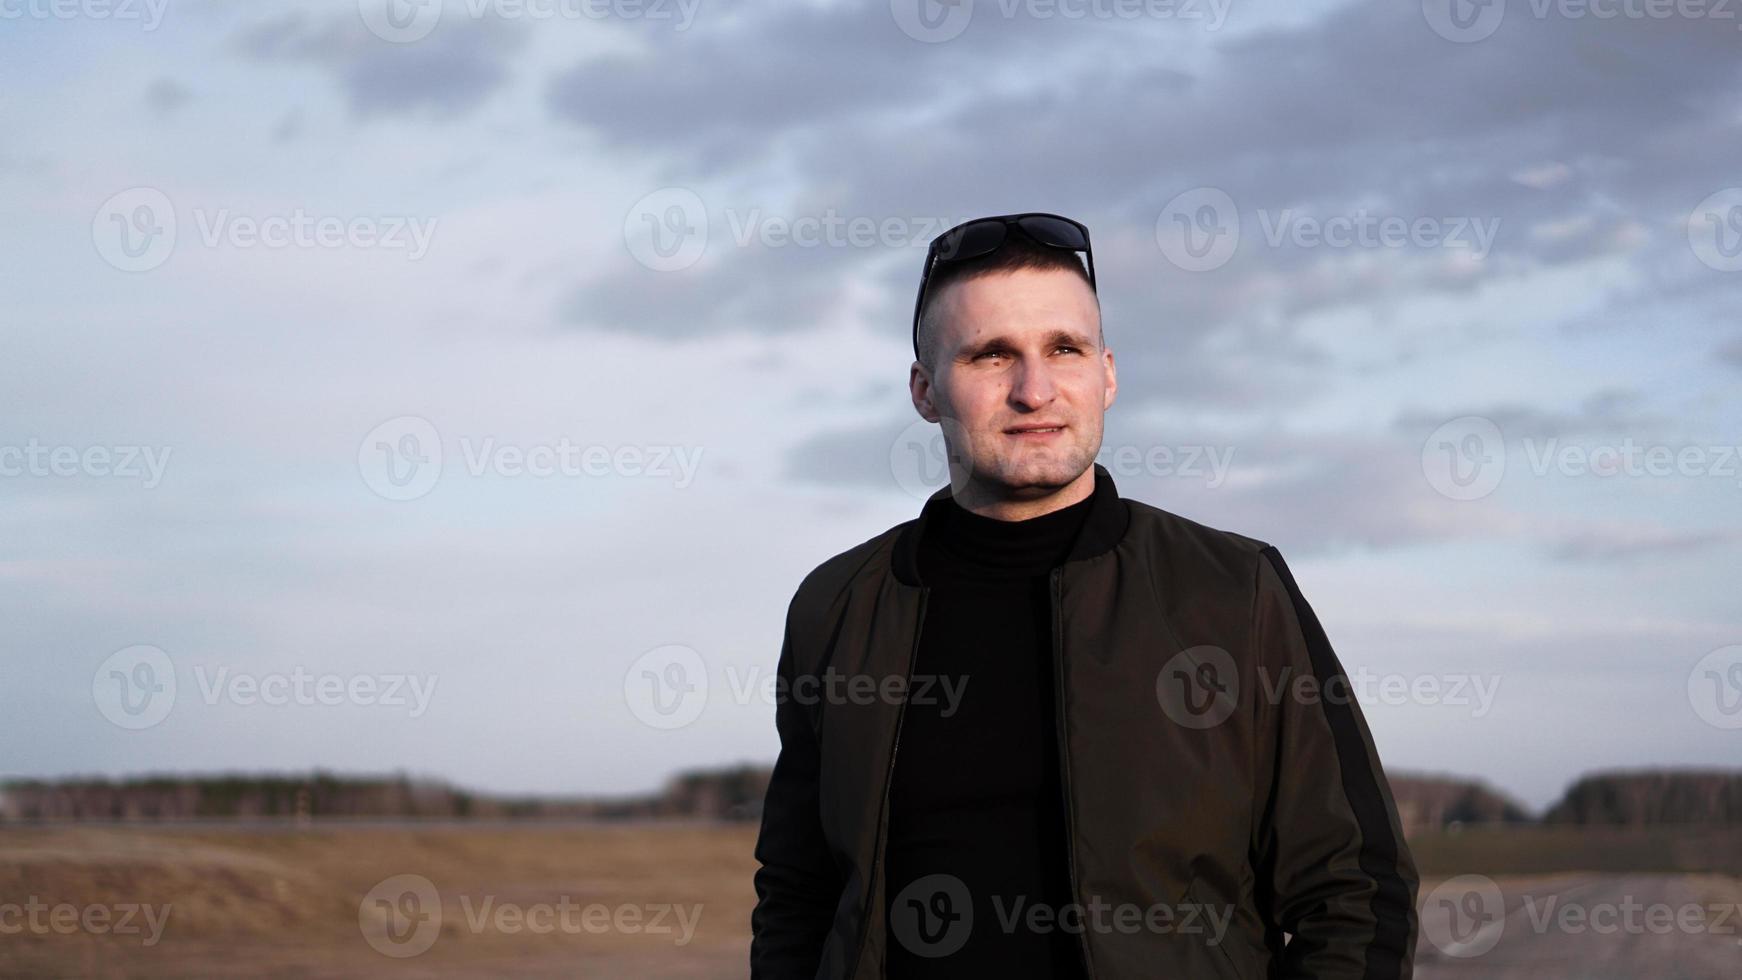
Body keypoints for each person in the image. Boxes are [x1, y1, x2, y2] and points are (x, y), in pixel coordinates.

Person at [750, 212, 1420, 978]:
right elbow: (797, 894)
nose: (1034, 390)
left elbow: (1359, 894)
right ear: (925, 390)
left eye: (1062, 349)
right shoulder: (837, 606)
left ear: (1106, 374)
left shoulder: (1235, 592)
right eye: (991, 355)